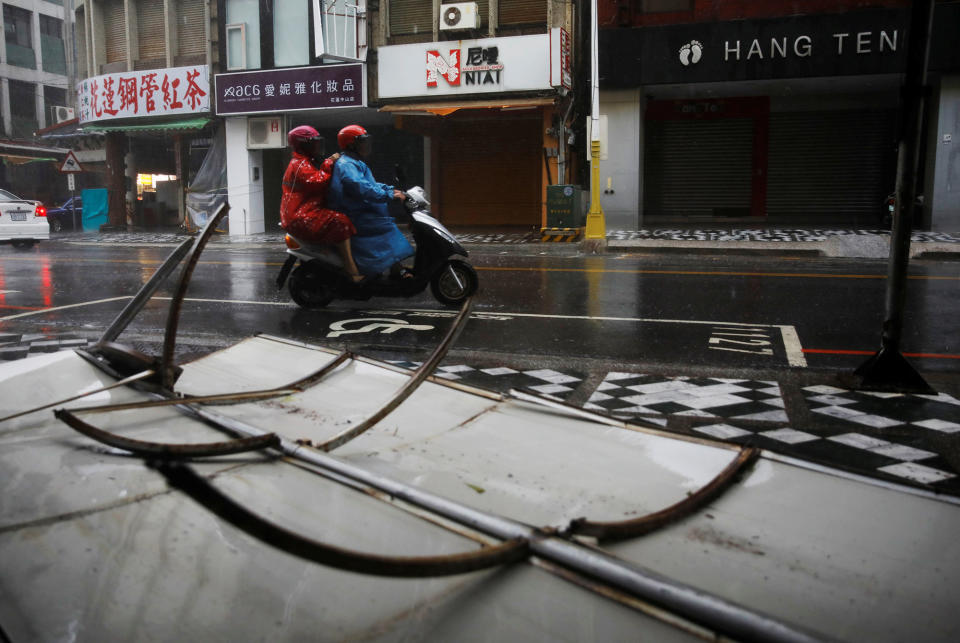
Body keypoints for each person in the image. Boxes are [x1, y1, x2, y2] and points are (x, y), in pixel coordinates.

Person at [328, 124, 415, 278]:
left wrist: (390, 189)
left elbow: (371, 185)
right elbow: (361, 187)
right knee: (386, 228)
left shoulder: (356, 162)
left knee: (386, 224)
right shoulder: (347, 164)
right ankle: (395, 268)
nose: (367, 145)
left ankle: (393, 267)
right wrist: (388, 195)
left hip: (363, 211)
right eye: (363, 142)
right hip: (355, 215)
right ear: (352, 145)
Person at [280, 125, 364, 282]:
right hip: (301, 216)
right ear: (303, 145)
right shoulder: (300, 165)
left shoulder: (302, 162)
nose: (317, 146)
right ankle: (350, 269)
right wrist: (328, 163)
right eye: (314, 143)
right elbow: (319, 181)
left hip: (301, 212)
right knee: (341, 221)